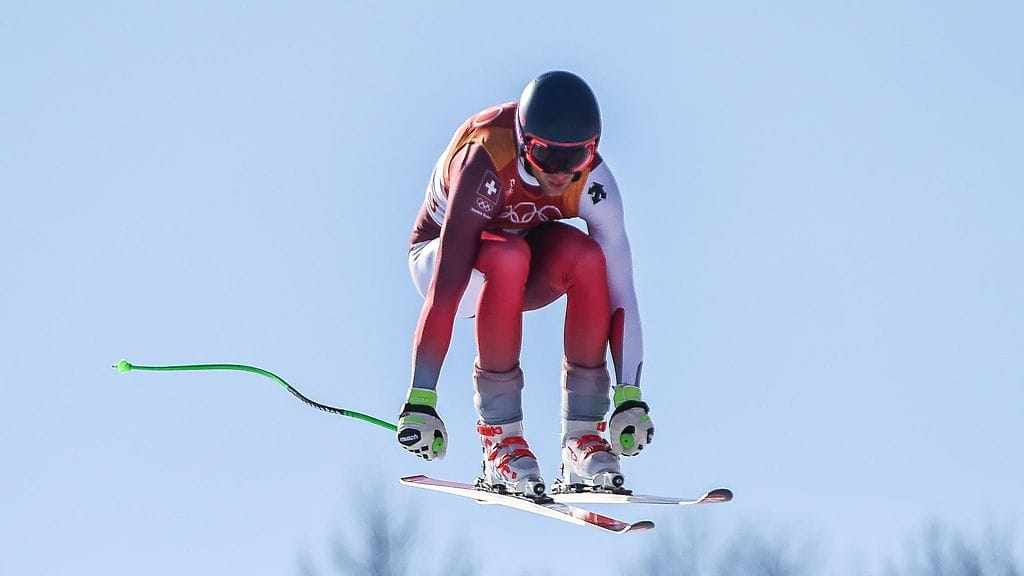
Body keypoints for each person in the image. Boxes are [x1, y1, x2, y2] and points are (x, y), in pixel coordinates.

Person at [396, 71, 654, 497]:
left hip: (522, 257)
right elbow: (445, 291)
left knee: (587, 258)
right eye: (545, 157)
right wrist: (421, 398)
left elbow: (621, 288)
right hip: (444, 261)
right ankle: (499, 437)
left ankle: (582, 438)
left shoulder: (595, 182)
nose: (561, 174)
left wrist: (630, 395)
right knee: (508, 256)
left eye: (577, 158)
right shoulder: (484, 160)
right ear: (522, 143)